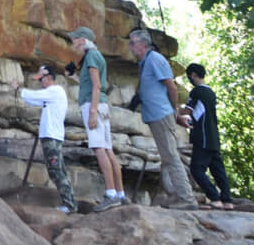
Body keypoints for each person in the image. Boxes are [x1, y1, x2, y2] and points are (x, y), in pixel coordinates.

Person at [127, 28, 198, 210]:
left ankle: (187, 198)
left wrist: (174, 112)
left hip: (161, 115)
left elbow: (171, 87)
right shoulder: (144, 62)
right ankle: (175, 196)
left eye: (132, 43)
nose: (130, 47)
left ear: (143, 45)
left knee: (171, 157)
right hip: (155, 115)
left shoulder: (155, 59)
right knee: (166, 157)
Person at [68, 26, 126, 211]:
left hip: (93, 106)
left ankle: (110, 194)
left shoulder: (91, 56)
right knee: (108, 149)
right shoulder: (96, 56)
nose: (73, 42)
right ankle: (120, 194)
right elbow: (91, 83)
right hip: (101, 106)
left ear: (83, 40)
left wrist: (92, 112)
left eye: (75, 39)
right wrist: (73, 77)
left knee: (98, 149)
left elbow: (97, 85)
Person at [12, 64, 79, 214]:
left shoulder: (55, 91)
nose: (40, 83)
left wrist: (18, 89)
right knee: (58, 170)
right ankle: (70, 202)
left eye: (41, 79)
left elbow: (34, 96)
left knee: (56, 171)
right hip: (52, 137)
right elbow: (34, 100)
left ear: (49, 78)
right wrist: (22, 93)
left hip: (52, 137)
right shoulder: (51, 94)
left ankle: (70, 205)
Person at [179, 63, 234, 209]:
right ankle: (227, 200)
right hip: (214, 137)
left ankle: (214, 197)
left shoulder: (197, 92)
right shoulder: (211, 92)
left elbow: (188, 112)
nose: (190, 79)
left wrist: (174, 110)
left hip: (201, 136)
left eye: (189, 76)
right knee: (218, 170)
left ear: (194, 75)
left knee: (196, 169)